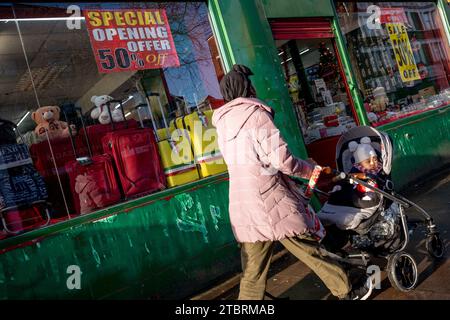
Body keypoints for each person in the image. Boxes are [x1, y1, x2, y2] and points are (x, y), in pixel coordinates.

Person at [212, 64, 373, 300]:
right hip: (269, 200)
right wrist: (311, 171)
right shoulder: (255, 115)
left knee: (252, 270)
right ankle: (346, 290)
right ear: (246, 87)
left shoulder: (223, 123)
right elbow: (282, 161)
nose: (254, 87)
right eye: (250, 83)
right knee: (310, 248)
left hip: (242, 203)